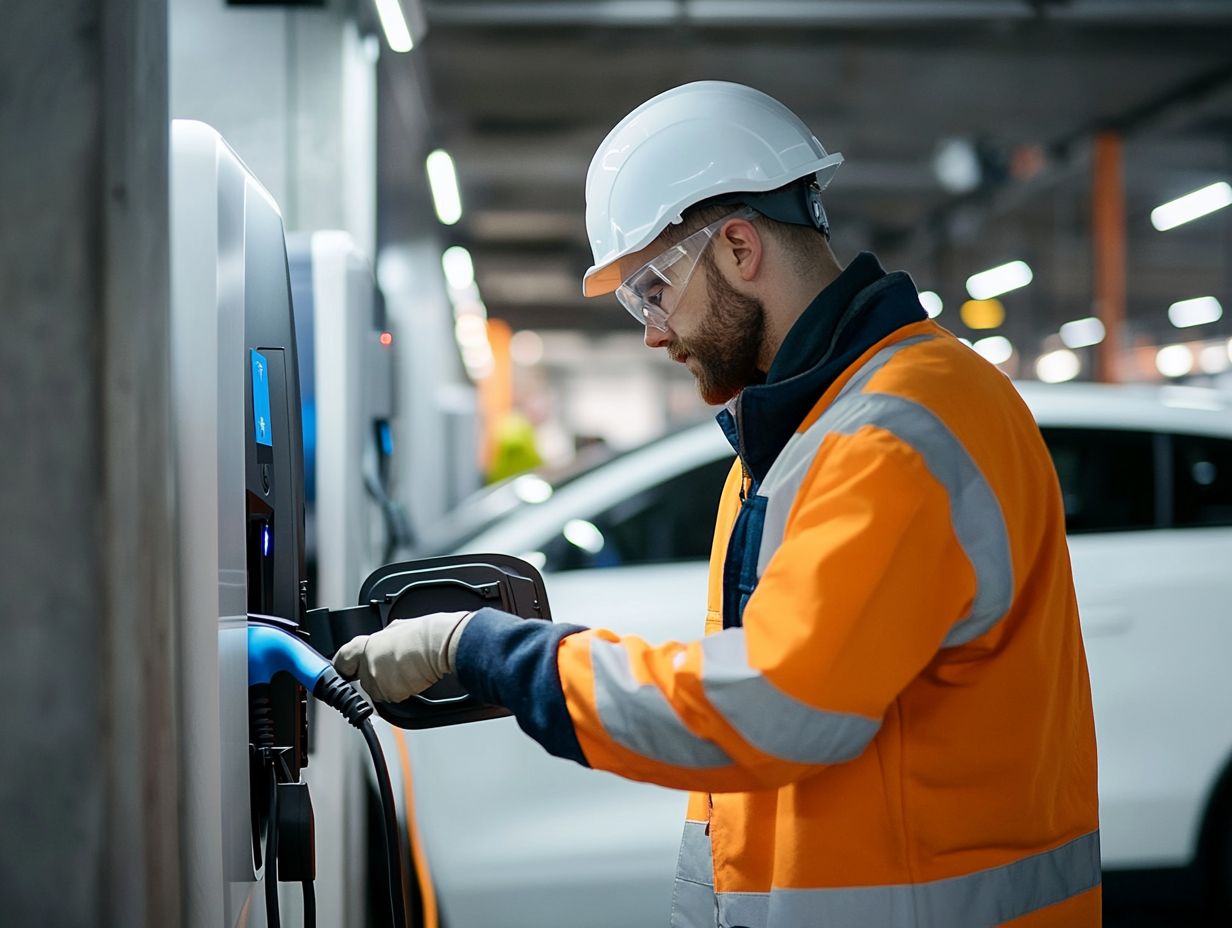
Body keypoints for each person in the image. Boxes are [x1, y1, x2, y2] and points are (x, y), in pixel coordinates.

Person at [335, 82, 1100, 927]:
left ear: (738, 246)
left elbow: (771, 702)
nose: (653, 332)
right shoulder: (789, 438)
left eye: (653, 291)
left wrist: (485, 649)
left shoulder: (900, 430)